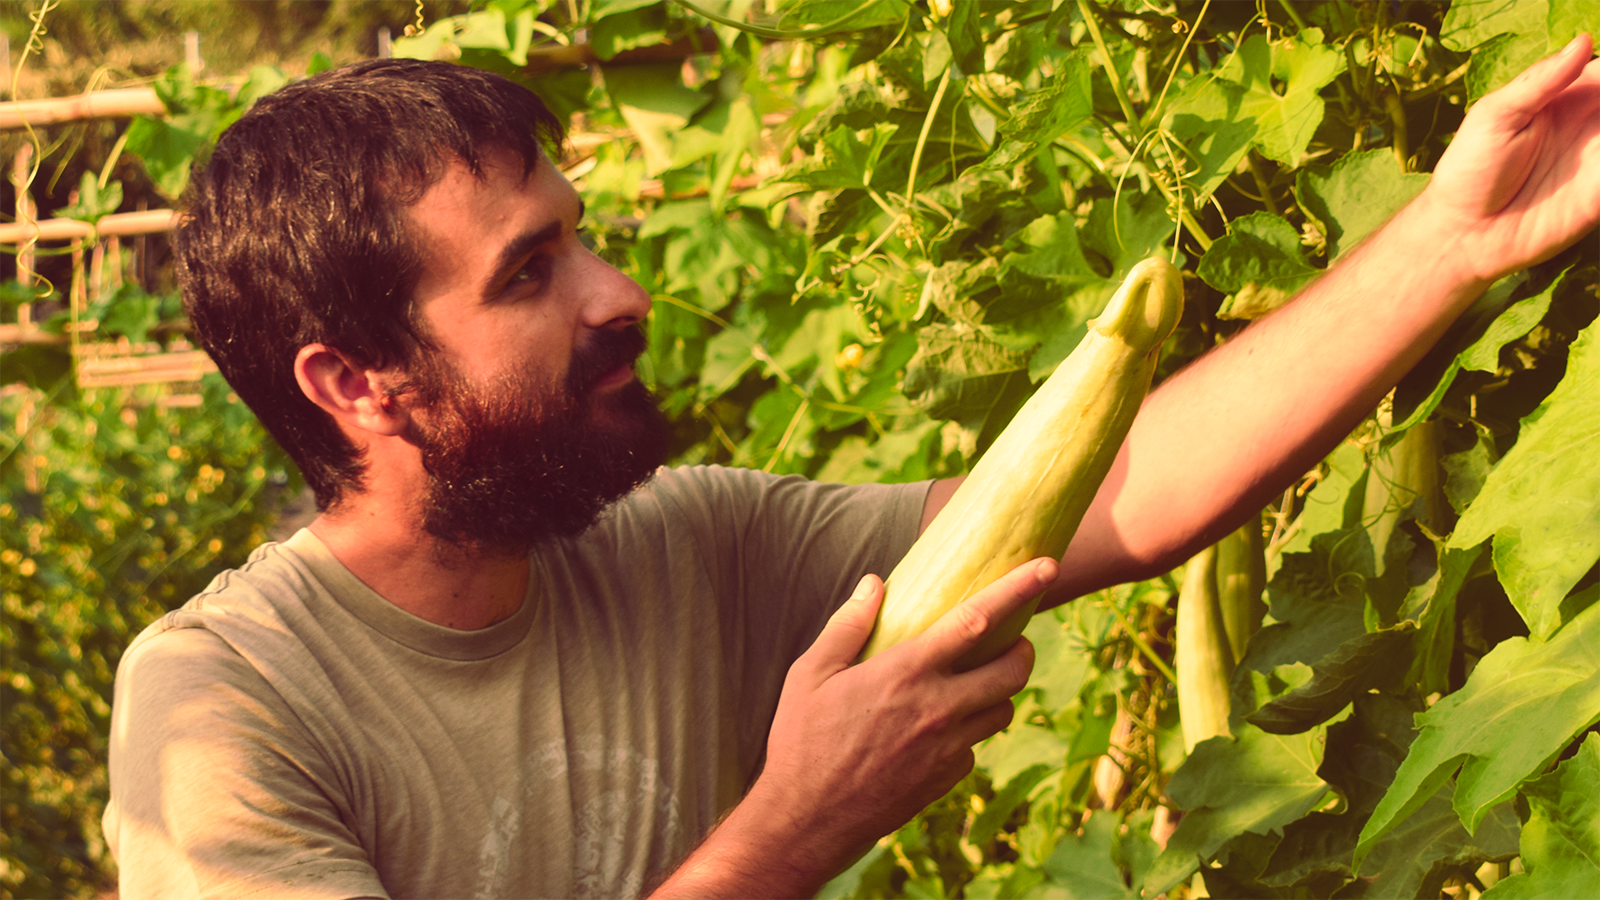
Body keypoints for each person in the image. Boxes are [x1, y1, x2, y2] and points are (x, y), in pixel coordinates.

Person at [101, 33, 1600, 900]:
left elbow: (1122, 486)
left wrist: (1456, 238)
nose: (621, 296)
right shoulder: (227, 712)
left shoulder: (688, 546)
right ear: (356, 386)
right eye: (529, 274)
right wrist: (791, 829)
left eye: (588, 236)